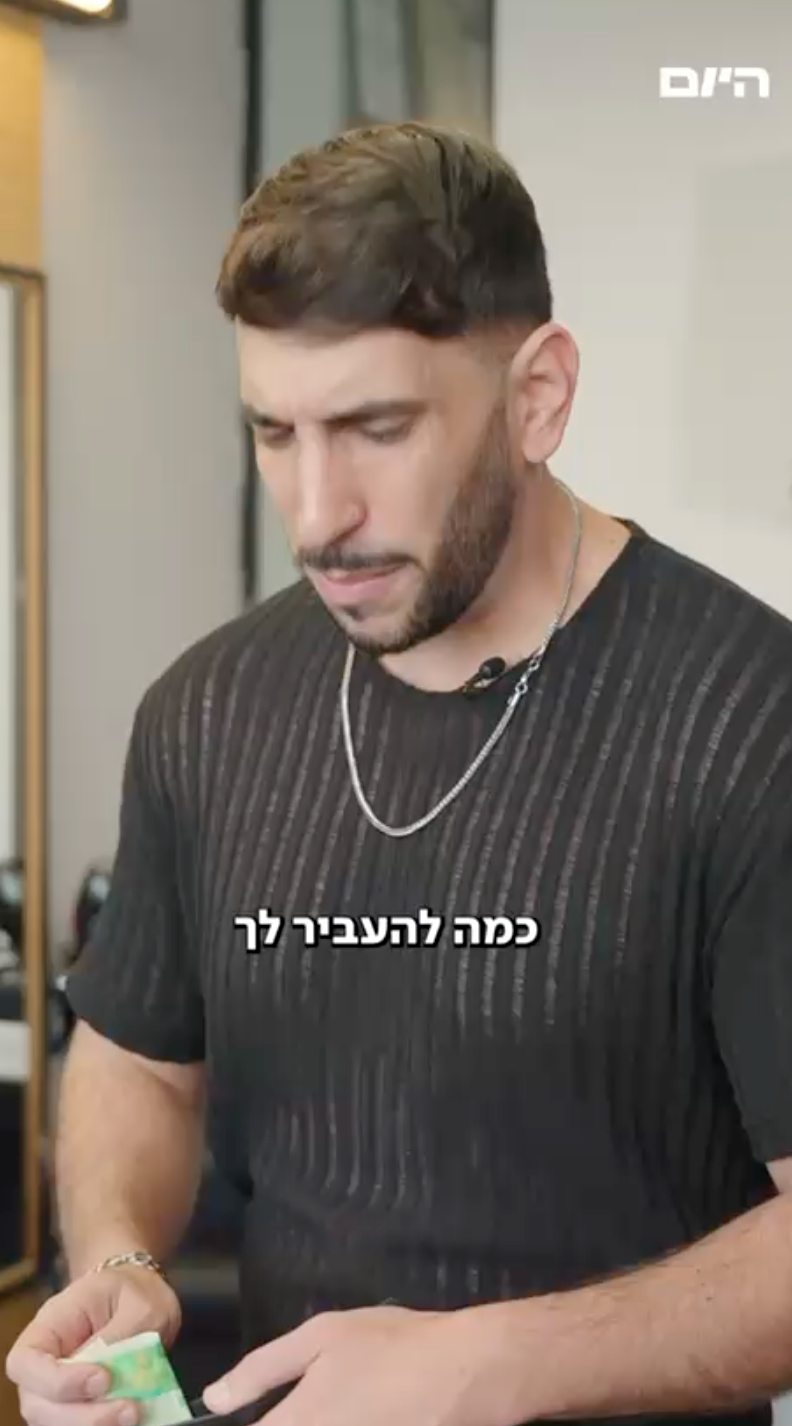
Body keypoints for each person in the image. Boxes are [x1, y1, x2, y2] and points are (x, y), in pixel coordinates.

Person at [7, 120, 792, 1426]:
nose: (318, 514)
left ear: (538, 396)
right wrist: (116, 1262)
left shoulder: (751, 721)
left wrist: (488, 1362)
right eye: (275, 432)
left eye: (376, 428)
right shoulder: (206, 710)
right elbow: (137, 1059)